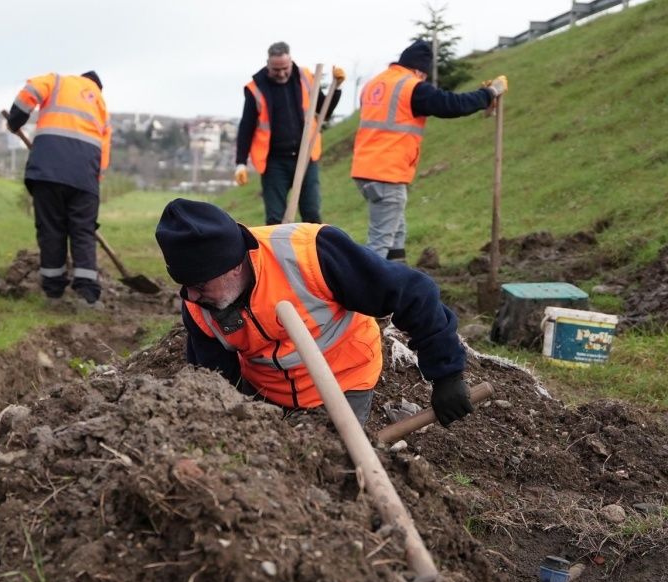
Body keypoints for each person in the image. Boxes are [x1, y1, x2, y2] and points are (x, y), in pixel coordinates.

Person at [154, 198, 474, 427]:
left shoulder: (312, 253)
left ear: (233, 266)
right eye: (185, 285)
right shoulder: (198, 303)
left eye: (199, 283)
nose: (190, 296)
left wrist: (446, 374)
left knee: (334, 468)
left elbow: (413, 293)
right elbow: (214, 377)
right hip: (266, 391)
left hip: (344, 380)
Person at [352, 40, 507, 262]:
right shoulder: (410, 86)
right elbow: (451, 104)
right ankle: (362, 291)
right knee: (380, 242)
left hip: (366, 169)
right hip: (386, 172)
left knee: (396, 233)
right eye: (423, 76)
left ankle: (398, 281)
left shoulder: (376, 83)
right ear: (419, 70)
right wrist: (489, 93)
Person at [5, 71, 111, 307]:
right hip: (85, 178)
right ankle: (87, 294)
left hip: (47, 171)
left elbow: (30, 91)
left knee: (51, 228)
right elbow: (105, 150)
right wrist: (94, 180)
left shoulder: (57, 81)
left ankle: (53, 292)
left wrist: (16, 120)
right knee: (83, 231)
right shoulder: (100, 103)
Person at [234, 42, 344, 225]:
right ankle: (277, 253)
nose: (282, 73)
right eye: (276, 69)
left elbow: (325, 110)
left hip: (306, 156)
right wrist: (240, 163)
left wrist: (337, 86)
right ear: (268, 64)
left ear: (291, 61)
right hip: (275, 162)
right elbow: (246, 127)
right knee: (275, 218)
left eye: (285, 68)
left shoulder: (306, 78)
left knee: (312, 214)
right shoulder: (256, 88)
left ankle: (313, 252)